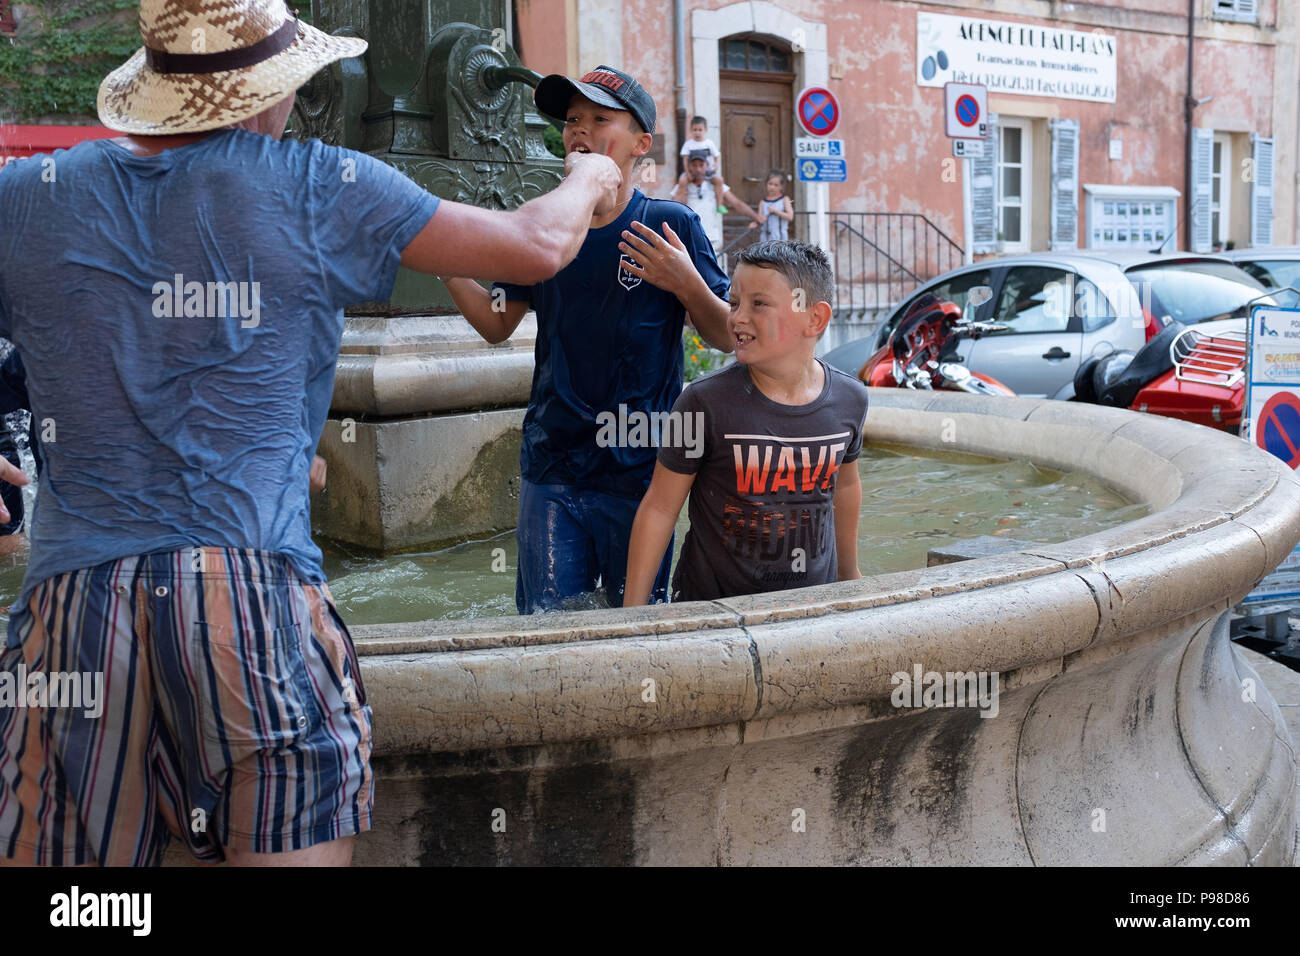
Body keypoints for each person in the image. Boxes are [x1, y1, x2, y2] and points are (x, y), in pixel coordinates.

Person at [0, 0, 621, 868]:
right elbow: (533, 246)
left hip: (72, 605)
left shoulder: (27, 197)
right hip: (245, 593)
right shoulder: (323, 182)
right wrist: (590, 174)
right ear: (271, 91)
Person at [443, 65, 732, 614]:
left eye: (601, 118)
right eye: (573, 119)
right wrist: (445, 262)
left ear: (640, 144)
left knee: (637, 621)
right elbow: (496, 323)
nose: (580, 130)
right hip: (555, 463)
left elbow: (721, 336)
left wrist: (684, 281)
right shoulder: (545, 227)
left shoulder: (670, 223)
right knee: (547, 629)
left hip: (643, 470)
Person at [624, 240, 869, 605]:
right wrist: (634, 611)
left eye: (759, 304)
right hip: (711, 608)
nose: (737, 317)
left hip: (811, 604)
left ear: (814, 318)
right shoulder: (704, 403)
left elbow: (845, 489)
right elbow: (660, 507)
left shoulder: (849, 399)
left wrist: (848, 575)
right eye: (735, 301)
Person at [671, 150, 763, 254]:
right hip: (688, 238)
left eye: (701, 165)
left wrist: (756, 217)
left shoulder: (715, 185)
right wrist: (683, 186)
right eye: (694, 166)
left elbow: (737, 203)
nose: (698, 169)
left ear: (707, 165)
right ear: (688, 166)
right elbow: (674, 209)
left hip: (710, 238)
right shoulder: (682, 186)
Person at [675, 115, 727, 212]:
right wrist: (688, 173)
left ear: (705, 130)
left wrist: (716, 166)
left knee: (719, 180)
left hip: (707, 171)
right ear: (691, 130)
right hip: (692, 172)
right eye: (695, 130)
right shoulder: (688, 144)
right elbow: (685, 159)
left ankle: (720, 205)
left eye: (700, 129)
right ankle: (682, 206)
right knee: (682, 181)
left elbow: (717, 156)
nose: (697, 132)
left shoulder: (709, 143)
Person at [748, 169, 794, 242]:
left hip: (780, 239)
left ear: (781, 186)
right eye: (770, 184)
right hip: (765, 239)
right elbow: (760, 218)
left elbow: (790, 217)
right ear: (766, 184)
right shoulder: (762, 202)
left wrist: (775, 211)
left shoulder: (784, 199)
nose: (772, 187)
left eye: (776, 185)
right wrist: (755, 223)